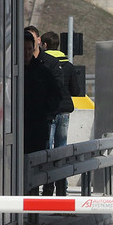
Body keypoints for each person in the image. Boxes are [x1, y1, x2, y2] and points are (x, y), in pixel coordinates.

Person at [25, 26, 65, 195]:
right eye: (23, 49)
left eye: (29, 49)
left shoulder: (42, 72)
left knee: (33, 170)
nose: (26, 53)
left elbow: (57, 95)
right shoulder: (10, 72)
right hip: (13, 133)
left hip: (37, 129)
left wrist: (45, 114)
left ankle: (32, 209)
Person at [40, 31, 81, 196]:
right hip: (64, 111)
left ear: (45, 45)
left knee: (47, 149)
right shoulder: (69, 66)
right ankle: (62, 189)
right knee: (61, 149)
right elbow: (76, 91)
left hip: (49, 111)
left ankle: (48, 187)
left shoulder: (43, 63)